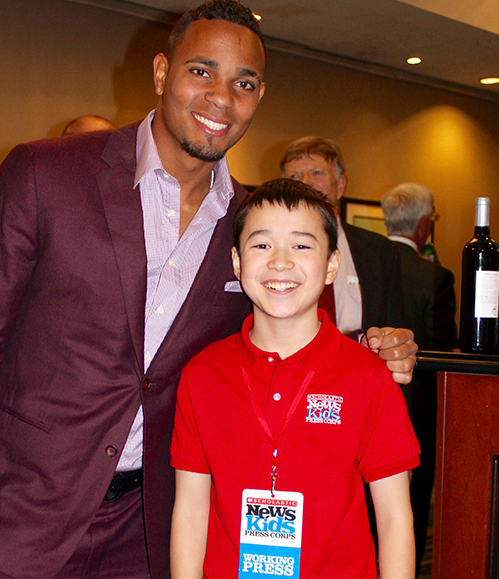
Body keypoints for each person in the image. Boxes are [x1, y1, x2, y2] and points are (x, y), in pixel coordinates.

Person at [0, 3, 417, 579]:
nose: (222, 98)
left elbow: (278, 331)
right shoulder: (44, 173)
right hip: (21, 514)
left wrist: (370, 348)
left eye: (244, 82)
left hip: (153, 528)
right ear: (161, 73)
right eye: (201, 71)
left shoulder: (250, 223)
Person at [170, 179, 419, 579]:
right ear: (236, 261)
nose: (280, 262)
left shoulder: (369, 377)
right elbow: (191, 511)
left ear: (331, 265)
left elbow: (393, 518)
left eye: (302, 245)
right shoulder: (202, 376)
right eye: (262, 245)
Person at [381, 182, 458, 575]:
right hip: (418, 414)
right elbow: (447, 352)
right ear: (425, 225)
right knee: (409, 510)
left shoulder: (362, 262)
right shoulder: (435, 277)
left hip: (359, 403)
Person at [281, 137, 405, 334]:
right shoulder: (269, 254)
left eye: (317, 173)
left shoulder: (381, 253)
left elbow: (394, 331)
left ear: (340, 185)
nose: (305, 182)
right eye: (295, 176)